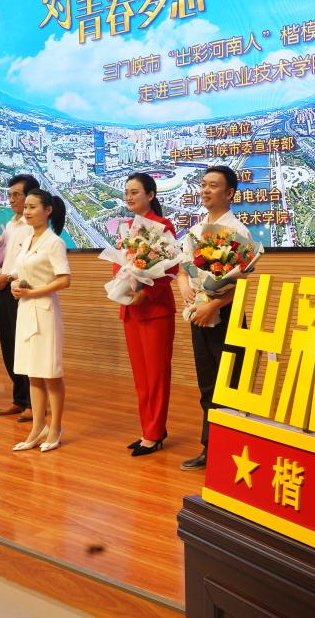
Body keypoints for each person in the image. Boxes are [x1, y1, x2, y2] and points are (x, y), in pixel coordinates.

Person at [176, 166, 249, 470]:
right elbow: (183, 269)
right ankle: (211, 448)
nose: (205, 190)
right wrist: (184, 286)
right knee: (207, 385)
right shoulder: (195, 231)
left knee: (229, 384)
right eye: (204, 185)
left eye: (213, 186)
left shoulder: (238, 231)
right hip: (199, 314)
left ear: (229, 193)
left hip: (227, 315)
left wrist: (214, 304)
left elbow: (241, 283)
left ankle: (234, 451)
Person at [116, 173, 177, 457]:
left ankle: (154, 433)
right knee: (141, 378)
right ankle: (148, 430)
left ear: (150, 195)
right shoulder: (127, 227)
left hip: (155, 311)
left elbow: (171, 268)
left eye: (135, 192)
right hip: (131, 308)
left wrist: (146, 292)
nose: (129, 197)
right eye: (127, 192)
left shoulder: (163, 226)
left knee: (156, 376)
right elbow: (119, 264)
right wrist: (123, 285)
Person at [11, 190, 71, 453]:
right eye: (25, 207)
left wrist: (33, 292)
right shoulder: (27, 240)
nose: (26, 211)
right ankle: (38, 427)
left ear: (47, 210)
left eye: (32, 207)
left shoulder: (54, 242)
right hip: (25, 310)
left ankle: (55, 428)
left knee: (50, 373)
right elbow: (19, 273)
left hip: (45, 311)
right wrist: (16, 286)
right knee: (32, 372)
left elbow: (64, 279)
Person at [0, 173, 39, 422]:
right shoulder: (10, 225)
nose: (11, 200)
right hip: (3, 289)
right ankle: (19, 399)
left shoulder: (33, 227)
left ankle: (33, 402)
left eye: (16, 195)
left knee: (25, 347)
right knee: (9, 345)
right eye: (9, 195)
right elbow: (6, 258)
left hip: (23, 290)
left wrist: (8, 277)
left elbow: (32, 263)